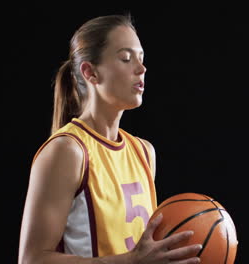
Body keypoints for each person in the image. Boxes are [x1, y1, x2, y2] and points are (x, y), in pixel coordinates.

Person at [18, 13, 202, 264]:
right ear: (90, 73)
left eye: (142, 58)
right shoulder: (68, 151)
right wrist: (129, 261)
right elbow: (31, 260)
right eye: (126, 58)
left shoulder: (144, 152)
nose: (142, 69)